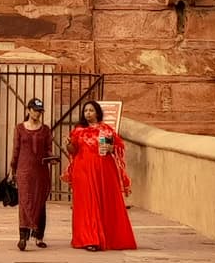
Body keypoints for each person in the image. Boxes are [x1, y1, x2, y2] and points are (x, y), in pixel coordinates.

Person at [64, 101, 136, 250]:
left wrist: (111, 147)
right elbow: (73, 151)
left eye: (91, 110)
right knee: (88, 205)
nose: (88, 113)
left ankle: (107, 237)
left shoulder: (107, 130)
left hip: (104, 171)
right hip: (83, 170)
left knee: (103, 203)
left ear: (97, 112)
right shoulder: (78, 131)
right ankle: (89, 239)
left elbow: (118, 147)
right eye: (85, 111)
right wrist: (68, 144)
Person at [11, 97, 56, 250]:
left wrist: (52, 158)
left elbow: (49, 148)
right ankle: (23, 236)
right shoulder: (19, 128)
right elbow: (16, 150)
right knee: (24, 201)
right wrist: (13, 168)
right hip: (24, 170)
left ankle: (38, 235)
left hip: (40, 171)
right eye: (35, 110)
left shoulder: (45, 130)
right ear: (29, 110)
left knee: (39, 202)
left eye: (40, 111)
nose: (37, 114)